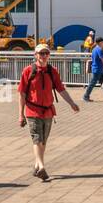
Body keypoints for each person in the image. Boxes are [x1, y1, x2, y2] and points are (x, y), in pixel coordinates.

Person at [17, 44, 79, 182]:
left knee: (43, 141)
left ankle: (37, 166)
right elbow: (21, 93)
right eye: (41, 53)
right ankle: (42, 167)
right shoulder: (28, 71)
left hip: (48, 111)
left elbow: (61, 89)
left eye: (46, 53)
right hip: (32, 110)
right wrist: (20, 114)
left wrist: (72, 103)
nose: (44, 56)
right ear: (35, 55)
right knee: (37, 139)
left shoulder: (52, 71)